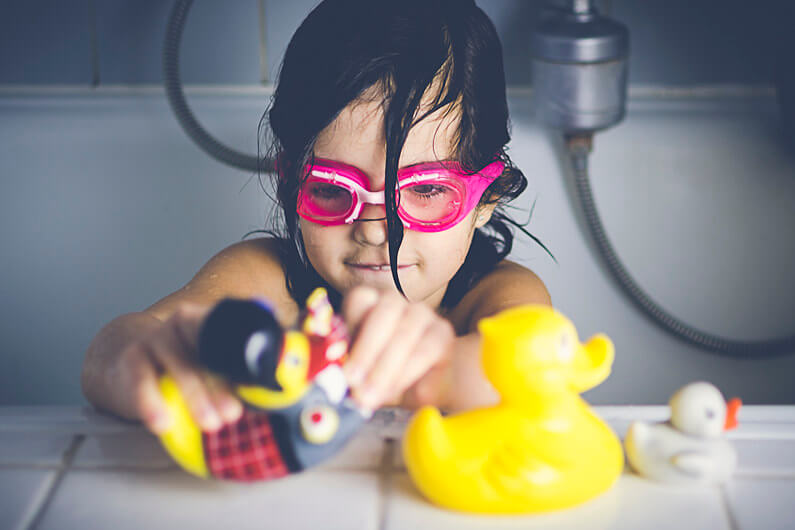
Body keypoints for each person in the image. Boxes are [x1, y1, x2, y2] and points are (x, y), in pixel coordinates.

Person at [81, 0, 551, 435]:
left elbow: (529, 374)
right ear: (291, 183)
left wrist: (442, 363)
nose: (374, 227)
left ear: (488, 195)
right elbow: (120, 345)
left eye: (425, 190)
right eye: (331, 189)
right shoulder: (270, 280)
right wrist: (136, 360)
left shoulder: (495, 297)